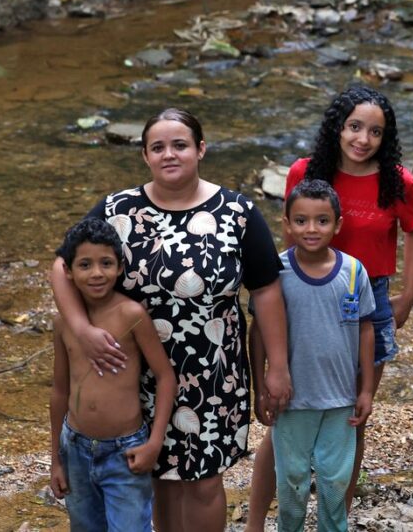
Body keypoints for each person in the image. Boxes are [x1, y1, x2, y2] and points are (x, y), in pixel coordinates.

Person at [50, 108, 292, 532]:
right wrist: (82, 330)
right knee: (158, 476)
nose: (169, 154)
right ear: (145, 155)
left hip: (213, 374)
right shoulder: (117, 209)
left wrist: (278, 367)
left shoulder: (237, 212)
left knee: (202, 481)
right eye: (157, 147)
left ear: (201, 149)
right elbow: (61, 265)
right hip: (135, 373)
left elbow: (267, 290)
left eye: (180, 145)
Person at [246, 86, 413, 529]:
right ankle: (255, 522)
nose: (363, 139)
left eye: (375, 132)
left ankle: (336, 520)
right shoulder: (307, 171)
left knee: (352, 417)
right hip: (303, 293)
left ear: (386, 137)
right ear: (337, 128)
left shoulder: (396, 181)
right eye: (354, 127)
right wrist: (280, 300)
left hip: (367, 297)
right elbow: (289, 237)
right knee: (284, 413)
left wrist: (408, 293)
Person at [250, 179, 375, 532]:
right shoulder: (274, 273)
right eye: (301, 220)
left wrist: (366, 390)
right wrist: (260, 387)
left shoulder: (354, 272)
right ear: (286, 223)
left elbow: (366, 330)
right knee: (291, 480)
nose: (311, 229)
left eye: (322, 221)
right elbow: (258, 332)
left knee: (335, 482)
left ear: (338, 224)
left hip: (340, 400)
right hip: (291, 402)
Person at [49, 218, 178, 532]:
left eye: (106, 263)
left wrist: (154, 443)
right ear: (68, 271)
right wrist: (56, 459)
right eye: (85, 265)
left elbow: (165, 377)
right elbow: (60, 391)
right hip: (75, 448)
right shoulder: (64, 323)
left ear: (120, 267)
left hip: (125, 450)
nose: (96, 273)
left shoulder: (131, 315)